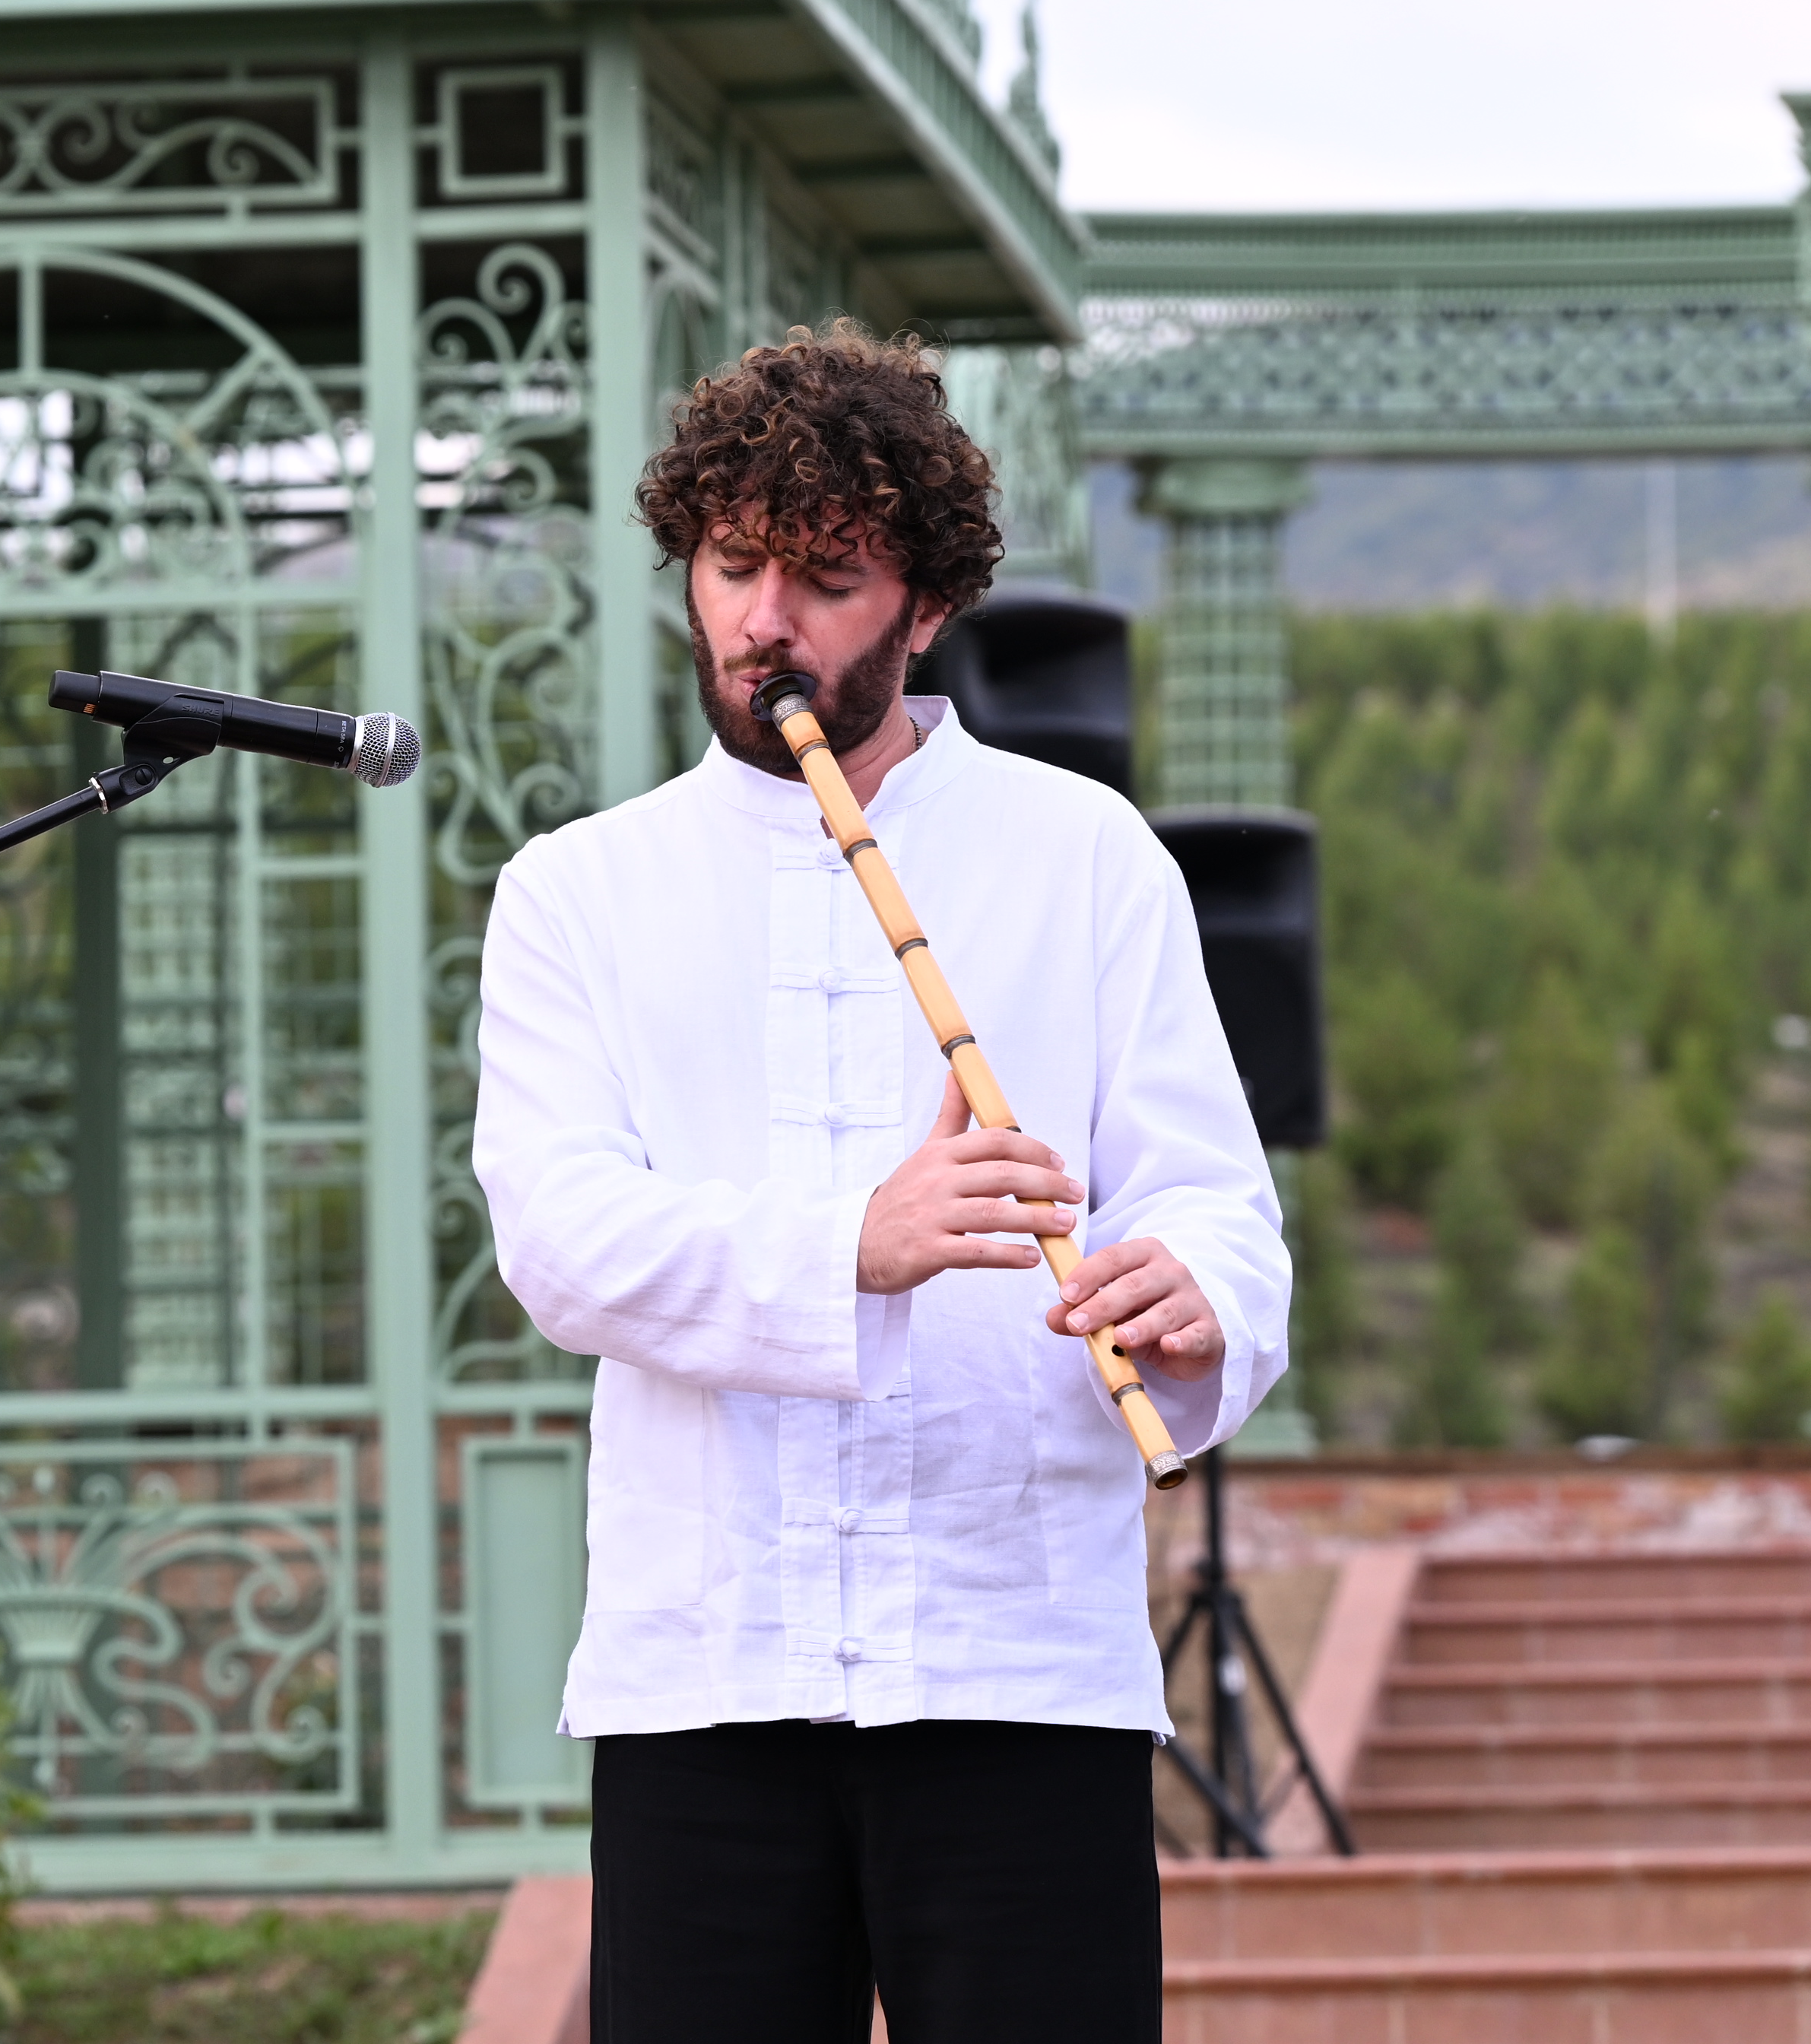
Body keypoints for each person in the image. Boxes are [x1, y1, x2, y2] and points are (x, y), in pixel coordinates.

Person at [471, 322, 1290, 2042]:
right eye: (731, 565)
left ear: (925, 608)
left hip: (1019, 1663)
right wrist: (856, 1242)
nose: (762, 620)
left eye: (826, 578)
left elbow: (1215, 1201)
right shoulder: (575, 890)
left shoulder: (1089, 856)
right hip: (708, 1672)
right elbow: (560, 1242)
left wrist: (1199, 1295)